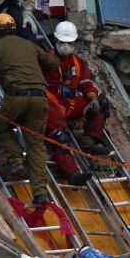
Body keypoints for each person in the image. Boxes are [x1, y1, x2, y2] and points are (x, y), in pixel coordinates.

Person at [0, 13, 60, 206]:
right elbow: (53, 64)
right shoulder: (29, 45)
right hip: (40, 99)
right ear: (14, 29)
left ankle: (16, 161)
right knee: (36, 145)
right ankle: (40, 193)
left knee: (2, 128)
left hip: (15, 98)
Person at [44, 21, 109, 175]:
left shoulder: (78, 62)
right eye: (62, 42)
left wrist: (93, 98)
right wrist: (56, 107)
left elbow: (86, 84)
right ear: (56, 40)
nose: (65, 46)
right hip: (51, 106)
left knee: (101, 103)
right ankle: (72, 172)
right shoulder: (45, 59)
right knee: (61, 137)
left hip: (70, 104)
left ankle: (90, 140)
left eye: (69, 43)